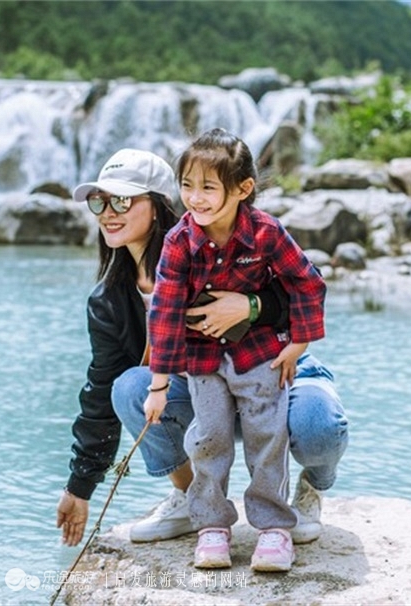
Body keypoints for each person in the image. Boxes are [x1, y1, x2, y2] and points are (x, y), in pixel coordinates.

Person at [56, 147, 347, 558]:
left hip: (275, 370)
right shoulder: (109, 300)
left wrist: (249, 306)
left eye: (122, 199)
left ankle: (309, 490)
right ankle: (195, 503)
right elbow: (99, 392)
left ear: (158, 206)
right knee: (128, 388)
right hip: (204, 383)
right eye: (99, 201)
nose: (107, 212)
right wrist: (79, 488)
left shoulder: (210, 247)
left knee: (318, 424)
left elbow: (300, 288)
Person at [143, 127, 326, 572]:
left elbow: (307, 282)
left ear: (243, 189)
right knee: (209, 438)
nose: (195, 198)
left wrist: (298, 344)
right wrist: (159, 384)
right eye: (187, 185)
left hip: (260, 353)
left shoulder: (265, 233)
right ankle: (211, 526)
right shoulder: (178, 241)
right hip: (203, 359)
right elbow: (165, 309)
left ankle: (274, 529)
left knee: (268, 434)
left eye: (208, 187)